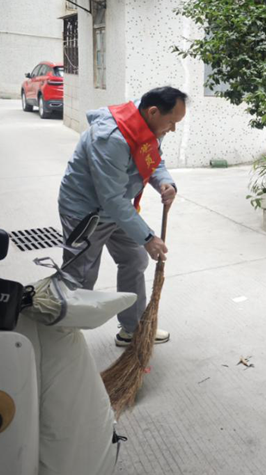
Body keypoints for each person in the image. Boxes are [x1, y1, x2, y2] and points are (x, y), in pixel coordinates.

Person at [58, 86, 187, 347]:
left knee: (134, 259)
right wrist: (148, 237)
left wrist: (165, 181)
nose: (172, 129)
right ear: (153, 111)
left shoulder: (146, 124)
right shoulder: (112, 138)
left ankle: (133, 328)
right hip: (86, 212)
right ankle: (61, 338)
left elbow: (153, 159)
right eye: (171, 122)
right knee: (80, 278)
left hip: (116, 209)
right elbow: (111, 198)